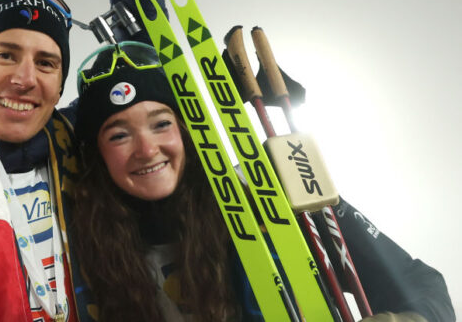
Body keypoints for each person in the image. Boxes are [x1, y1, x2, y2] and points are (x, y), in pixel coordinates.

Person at [71, 42, 455, 321]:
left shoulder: (267, 191)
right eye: (118, 135)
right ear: (97, 153)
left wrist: (407, 320)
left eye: (161, 124)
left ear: (186, 132)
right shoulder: (78, 238)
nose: (146, 148)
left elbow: (423, 285)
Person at [0, 0, 162, 321]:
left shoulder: (78, 141)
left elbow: (149, 76)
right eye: (5, 55)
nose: (25, 79)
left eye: (46, 63)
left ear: (59, 85)